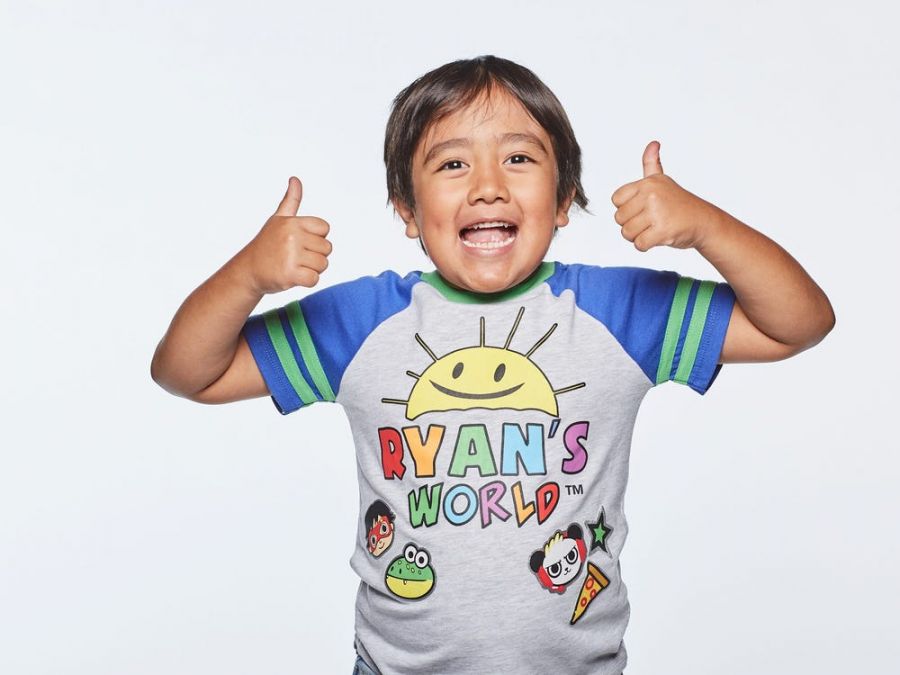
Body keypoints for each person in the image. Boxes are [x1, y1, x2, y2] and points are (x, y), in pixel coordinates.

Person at [151, 55, 834, 675]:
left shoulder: (617, 312)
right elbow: (187, 372)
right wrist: (248, 275)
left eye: (518, 158)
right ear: (407, 208)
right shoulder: (361, 323)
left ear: (563, 199)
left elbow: (799, 322)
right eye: (452, 164)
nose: (486, 187)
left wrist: (707, 226)